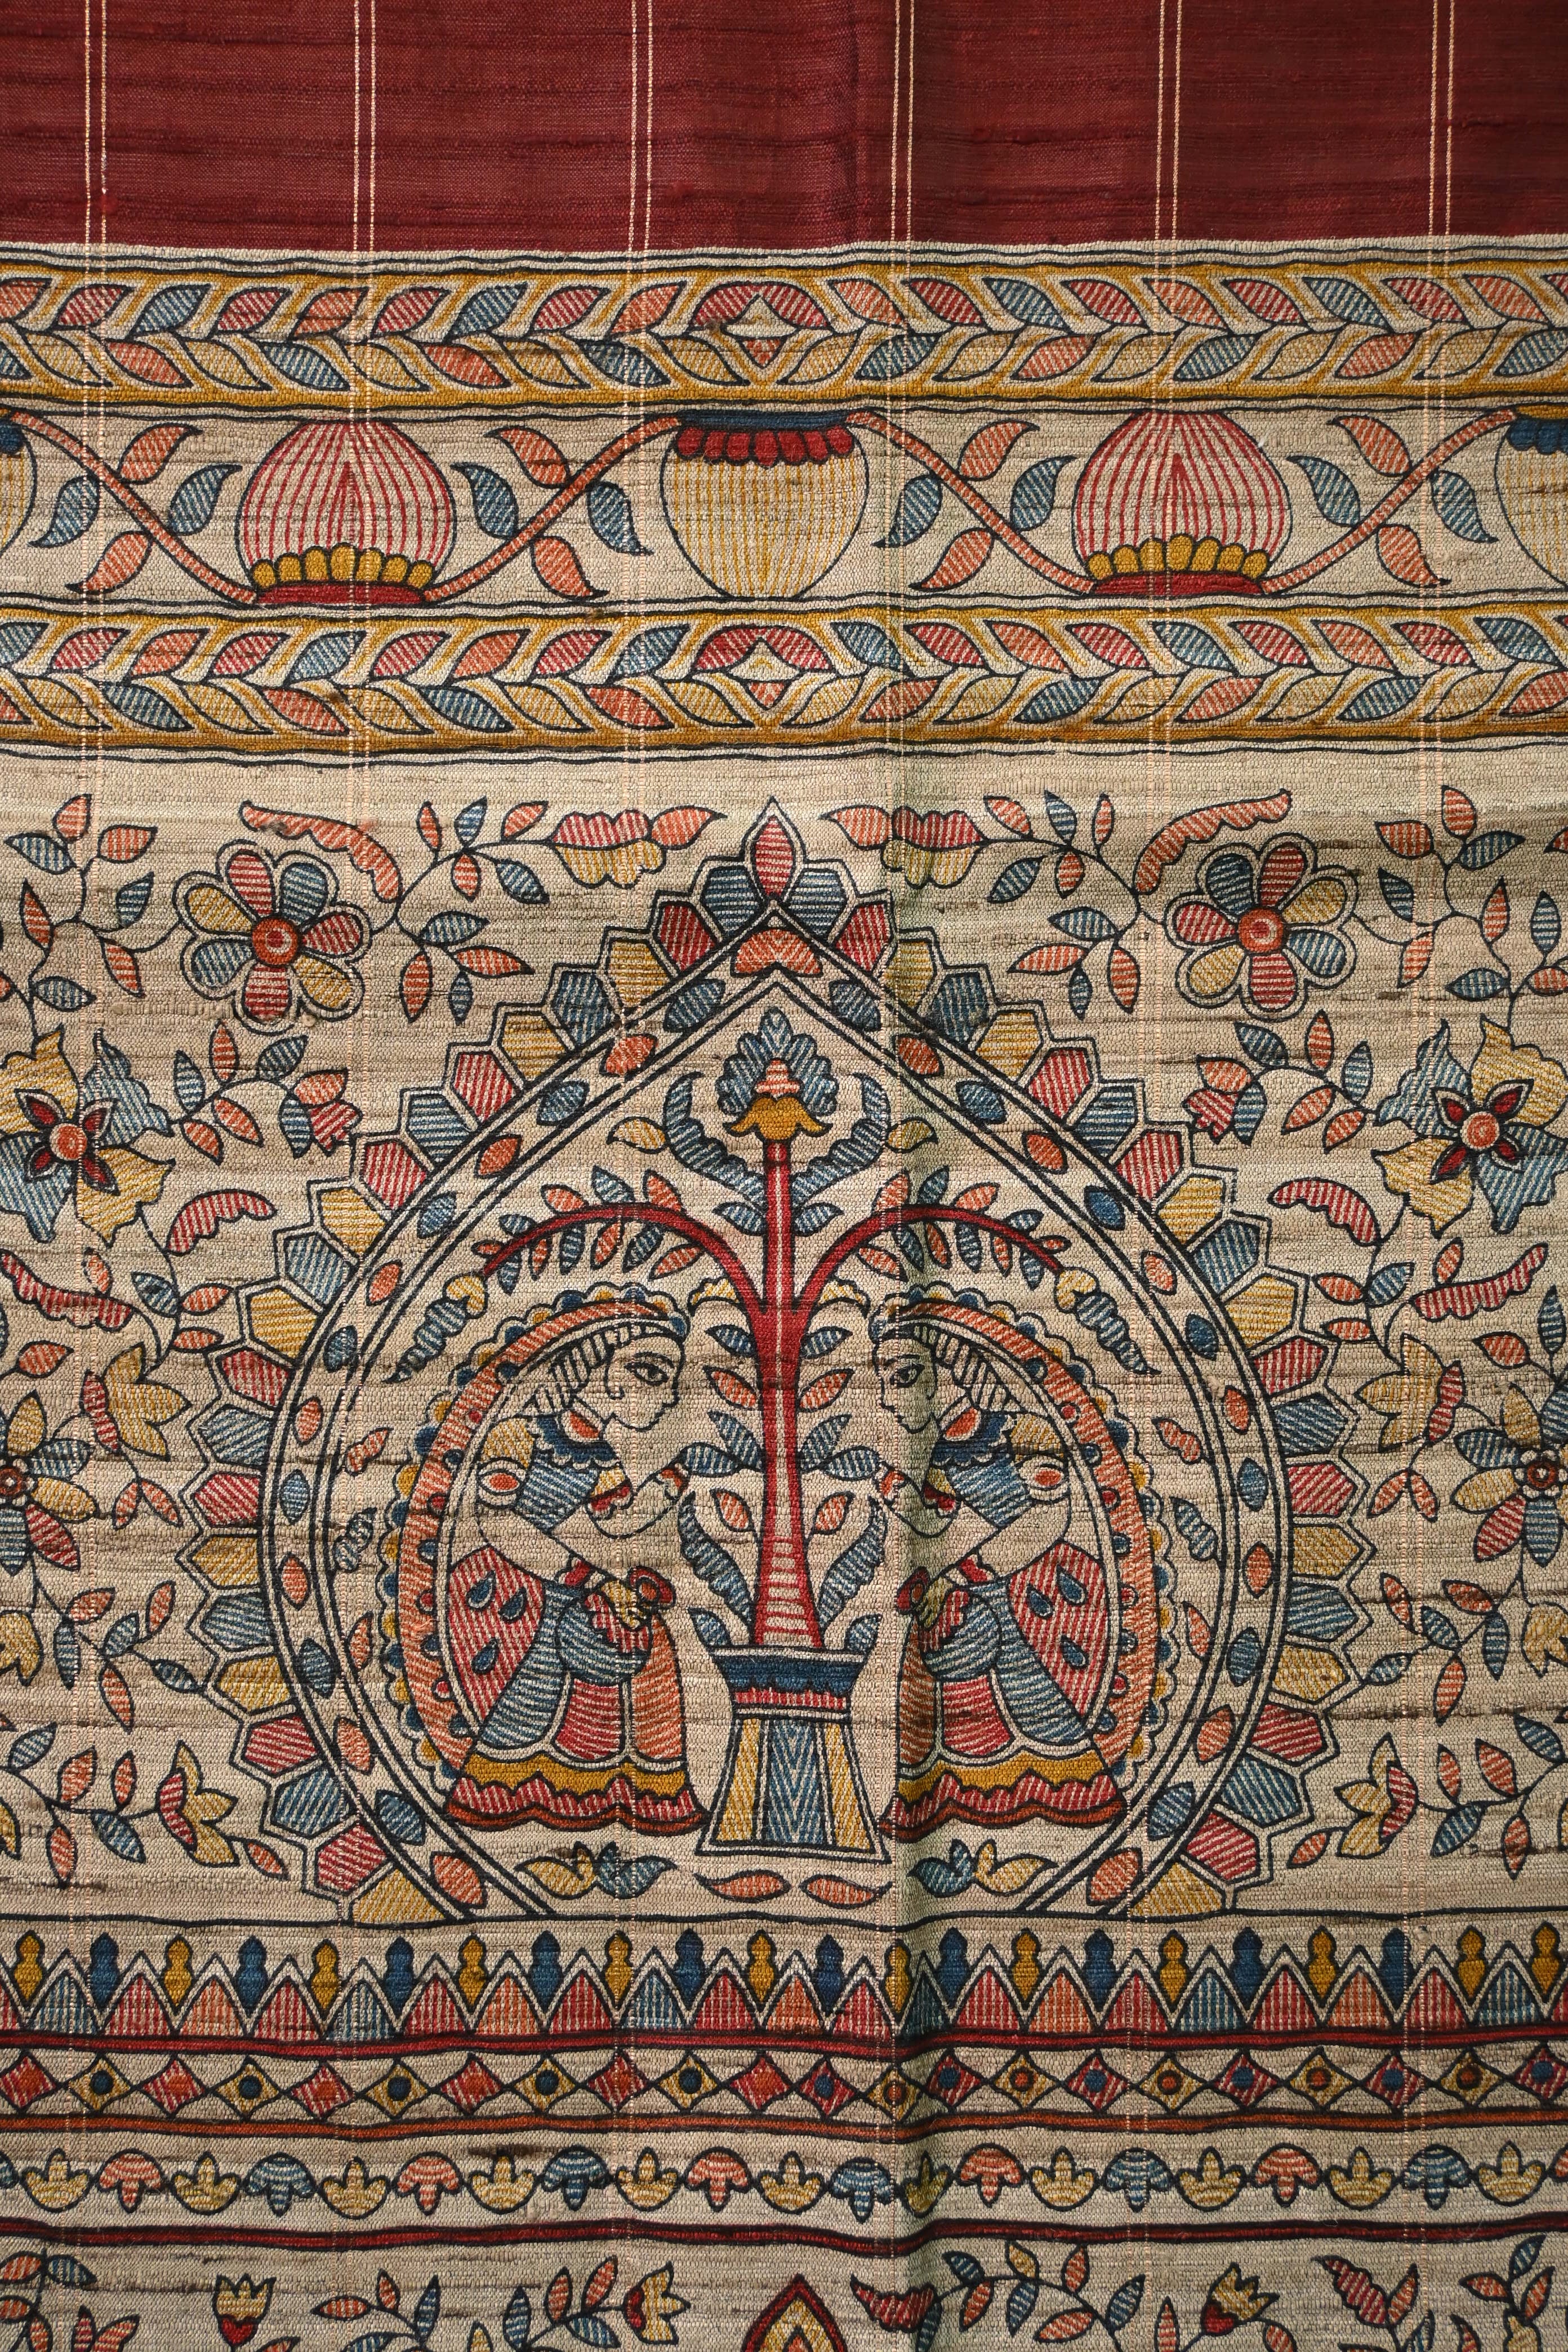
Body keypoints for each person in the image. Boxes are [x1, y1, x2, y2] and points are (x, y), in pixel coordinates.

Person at [437, 1290, 706, 1834]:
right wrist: (589, 1579)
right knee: (533, 1681)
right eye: (651, 1374)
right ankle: (501, 1791)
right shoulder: (519, 1433)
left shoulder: (603, 1457)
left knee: (642, 1650)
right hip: (508, 1585)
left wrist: (669, 1483)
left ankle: (608, 1791)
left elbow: (615, 1520)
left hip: (565, 1582)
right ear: (600, 1370)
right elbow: (498, 1522)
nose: (670, 1397)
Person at [868, 1295, 1128, 1839]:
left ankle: (1061, 1788)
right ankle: (960, 1790)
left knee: (1029, 1683)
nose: (890, 1400)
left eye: (905, 1377)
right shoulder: (942, 1452)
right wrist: (900, 1498)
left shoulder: (1022, 1431)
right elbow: (938, 1520)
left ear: (950, 1370)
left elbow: (1049, 1518)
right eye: (885, 1382)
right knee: (938, 1648)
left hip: (1044, 1582)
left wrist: (964, 1575)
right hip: (989, 1581)